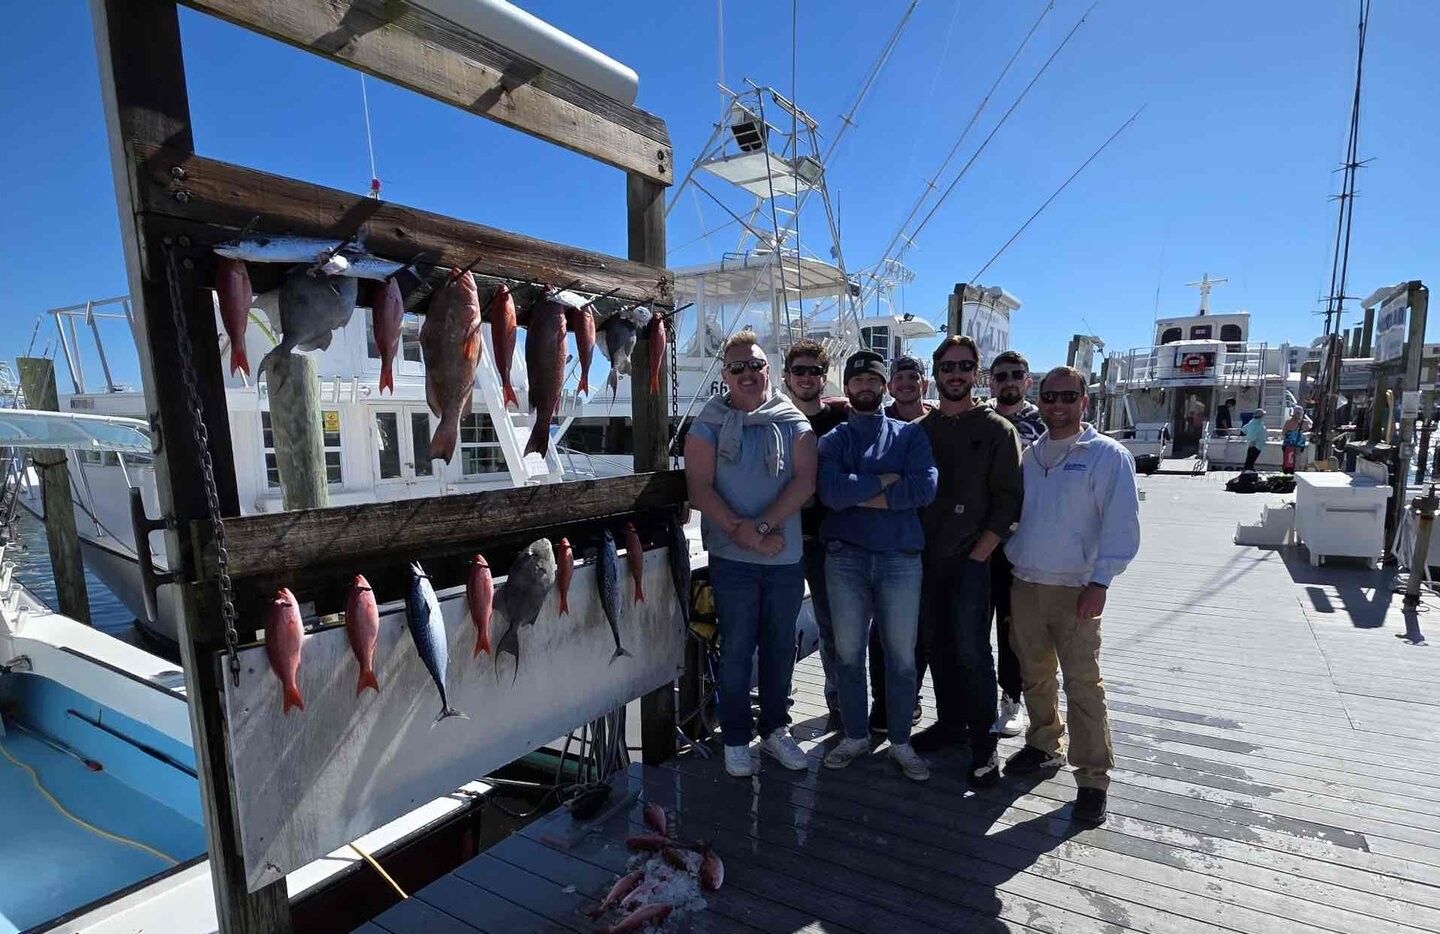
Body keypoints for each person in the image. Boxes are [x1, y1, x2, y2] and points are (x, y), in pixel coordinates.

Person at [1003, 365, 1140, 826]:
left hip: (1078, 587)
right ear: (1039, 401)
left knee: (1083, 683)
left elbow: (1122, 527)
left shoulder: (1108, 456)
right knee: (1034, 674)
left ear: (1085, 400)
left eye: (1067, 396)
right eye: (1049, 396)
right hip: (1025, 580)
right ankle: (1044, 744)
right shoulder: (1030, 454)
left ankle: (1093, 778)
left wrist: (1101, 582)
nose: (1057, 405)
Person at [685, 332, 817, 778]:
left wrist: (759, 529)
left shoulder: (794, 422)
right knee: (737, 648)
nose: (747, 374)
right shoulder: (707, 424)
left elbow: (804, 483)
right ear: (724, 375)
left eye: (755, 365)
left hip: (783, 559)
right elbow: (699, 488)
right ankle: (737, 737)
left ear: (768, 371)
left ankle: (776, 729)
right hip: (732, 560)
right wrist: (745, 536)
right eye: (737, 367)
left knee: (780, 647)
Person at [817, 350, 938, 780]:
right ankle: (854, 734)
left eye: (874, 379)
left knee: (902, 657)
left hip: (901, 559)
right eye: (858, 380)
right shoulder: (832, 441)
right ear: (846, 388)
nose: (866, 386)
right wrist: (887, 483)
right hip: (844, 559)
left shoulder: (910, 436)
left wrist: (859, 493)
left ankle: (901, 741)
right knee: (848, 654)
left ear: (885, 386)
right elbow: (830, 493)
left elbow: (923, 488)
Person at [912, 336, 1023, 789]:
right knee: (937, 646)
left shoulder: (998, 429)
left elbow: (1009, 503)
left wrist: (979, 556)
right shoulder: (921, 430)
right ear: (935, 374)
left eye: (964, 367)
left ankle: (984, 741)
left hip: (972, 564)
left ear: (975, 374)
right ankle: (950, 723)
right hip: (924, 563)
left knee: (973, 652)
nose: (955, 374)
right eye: (948, 366)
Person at [782, 339, 848, 730]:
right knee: (779, 629)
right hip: (784, 541)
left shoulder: (842, 422)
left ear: (824, 377)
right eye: (799, 371)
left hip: (831, 542)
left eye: (813, 371)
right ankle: (779, 710)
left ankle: (839, 706)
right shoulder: (775, 420)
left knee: (833, 628)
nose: (806, 378)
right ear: (788, 376)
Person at [868, 353, 932, 733]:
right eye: (900, 377)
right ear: (889, 385)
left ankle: (910, 698)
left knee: (918, 629)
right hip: (884, 540)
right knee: (881, 629)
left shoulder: (937, 423)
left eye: (913, 377)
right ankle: (882, 700)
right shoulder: (879, 422)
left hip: (928, 540)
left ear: (924, 384)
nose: (906, 383)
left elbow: (925, 485)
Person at [986, 349, 1046, 739]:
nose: (1008, 381)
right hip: (980, 541)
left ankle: (1011, 699)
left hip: (1023, 544)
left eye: (1016, 375)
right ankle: (969, 699)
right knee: (972, 626)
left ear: (1027, 380)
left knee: (1013, 628)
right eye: (1001, 375)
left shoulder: (1044, 426)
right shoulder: (982, 421)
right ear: (991, 381)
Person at [1281, 406, 1312, 474]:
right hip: (1299, 445)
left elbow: (1283, 433)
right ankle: (1295, 473)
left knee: (1288, 460)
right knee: (1297, 461)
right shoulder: (1305, 423)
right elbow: (1309, 432)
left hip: (1288, 445)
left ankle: (1287, 473)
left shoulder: (1288, 422)